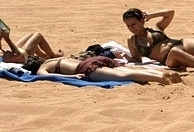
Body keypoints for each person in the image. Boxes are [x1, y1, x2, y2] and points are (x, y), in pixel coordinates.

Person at [22, 54, 182, 85]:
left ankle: (161, 78)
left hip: (85, 67)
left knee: (124, 75)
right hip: (94, 59)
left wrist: (74, 77)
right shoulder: (51, 59)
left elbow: (45, 77)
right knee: (121, 71)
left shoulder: (44, 67)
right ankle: (159, 72)